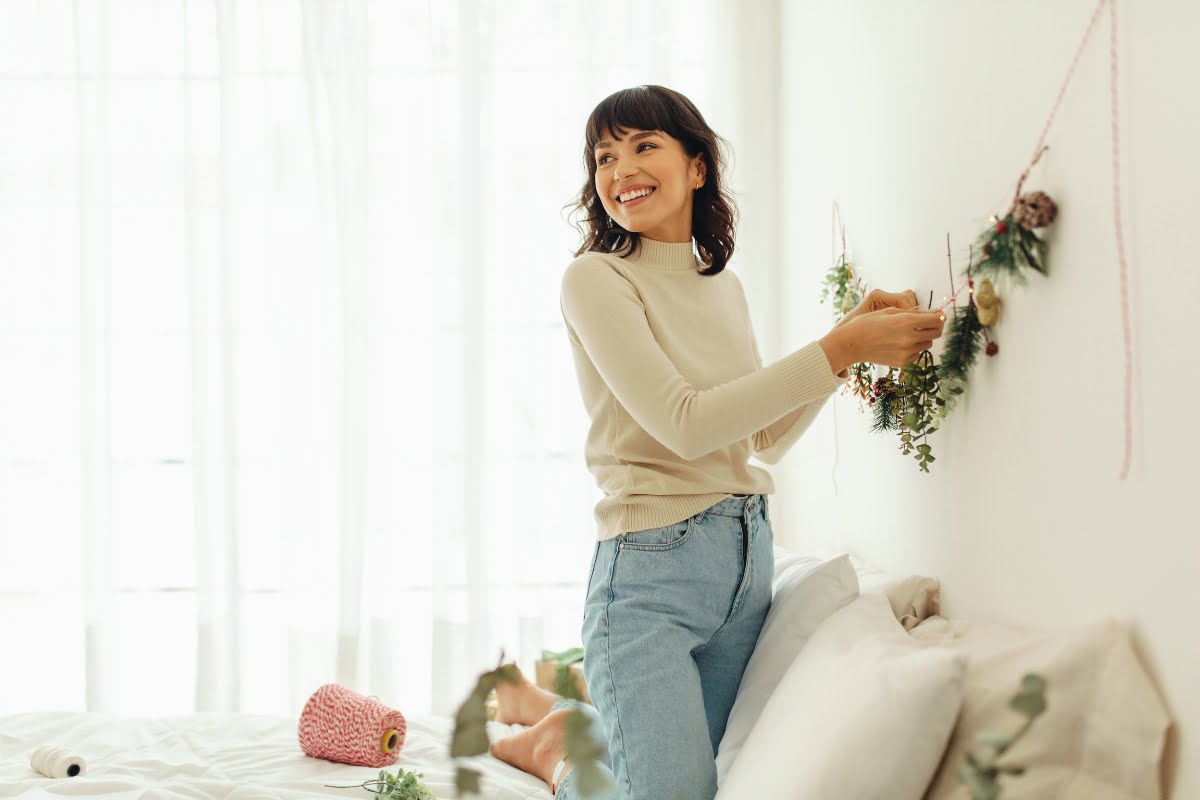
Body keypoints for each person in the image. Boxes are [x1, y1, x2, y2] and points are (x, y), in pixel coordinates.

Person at [488, 85, 945, 799]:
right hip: (650, 577)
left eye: (644, 146)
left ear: (697, 166)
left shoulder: (720, 286)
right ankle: (559, 750)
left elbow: (759, 437)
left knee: (698, 782)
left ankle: (561, 741)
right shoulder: (595, 280)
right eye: (604, 156)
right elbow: (686, 423)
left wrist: (847, 348)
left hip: (744, 563)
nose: (620, 170)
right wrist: (835, 346)